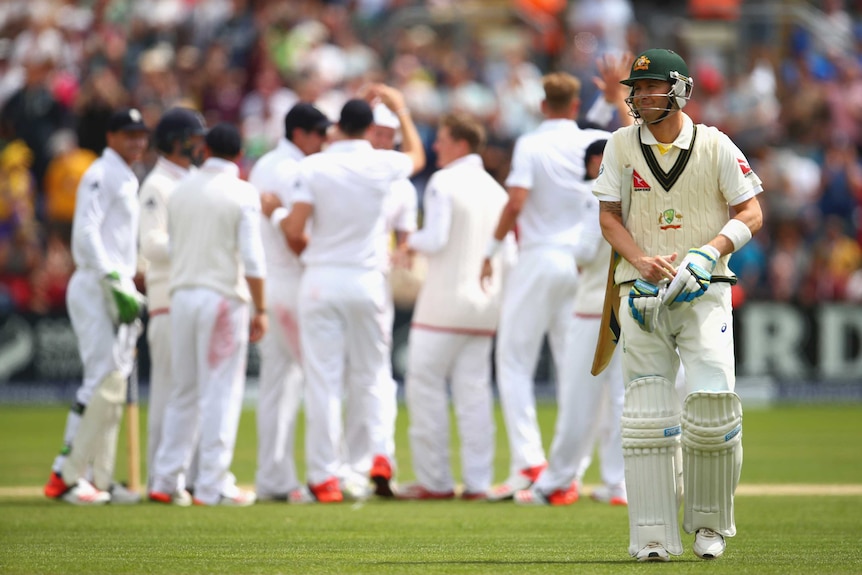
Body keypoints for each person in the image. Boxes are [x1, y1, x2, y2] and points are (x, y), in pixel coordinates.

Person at [592, 48, 764, 561]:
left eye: (652, 87)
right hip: (641, 295)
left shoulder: (714, 144)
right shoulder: (621, 144)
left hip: (704, 290)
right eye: (637, 89)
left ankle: (710, 527)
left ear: (680, 89)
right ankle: (651, 536)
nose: (642, 96)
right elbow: (608, 217)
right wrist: (641, 260)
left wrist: (708, 253)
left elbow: (752, 211)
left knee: (712, 406)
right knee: (647, 415)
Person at [277, 86, 425, 503]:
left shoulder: (314, 166)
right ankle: (380, 454)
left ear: (338, 126)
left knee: (323, 380)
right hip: (366, 280)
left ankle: (325, 477)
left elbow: (293, 228)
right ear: (370, 129)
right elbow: (417, 157)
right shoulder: (383, 164)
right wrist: (401, 108)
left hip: (321, 279)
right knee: (374, 374)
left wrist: (277, 214)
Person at [479, 72, 610, 501]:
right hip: (581, 263)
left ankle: (530, 461)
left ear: (542, 105)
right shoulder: (591, 137)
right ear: (575, 105)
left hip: (538, 257)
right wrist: (610, 100)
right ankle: (569, 469)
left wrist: (492, 247)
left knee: (514, 362)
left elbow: (516, 201)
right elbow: (615, 132)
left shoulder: (530, 144)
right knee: (572, 369)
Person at [395, 112, 513, 500]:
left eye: (442, 139)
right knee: (474, 393)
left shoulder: (443, 182)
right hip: (484, 307)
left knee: (424, 386)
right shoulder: (497, 191)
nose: (434, 146)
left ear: (461, 144)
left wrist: (407, 239)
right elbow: (508, 254)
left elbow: (436, 239)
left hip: (442, 306)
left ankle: (436, 481)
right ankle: (478, 483)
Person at [150, 123, 268, 507]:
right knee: (220, 392)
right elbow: (252, 259)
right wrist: (261, 308)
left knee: (184, 390)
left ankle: (166, 480)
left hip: (182, 296)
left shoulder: (181, 189)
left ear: (204, 149)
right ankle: (212, 485)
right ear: (239, 154)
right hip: (221, 299)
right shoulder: (242, 192)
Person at [43, 108, 149, 505]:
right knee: (101, 377)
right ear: (111, 135)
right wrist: (112, 279)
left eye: (141, 135)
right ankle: (65, 476)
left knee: (114, 383)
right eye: (129, 135)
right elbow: (85, 232)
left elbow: (118, 239)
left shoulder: (127, 175)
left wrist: (131, 275)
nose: (137, 142)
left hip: (116, 284)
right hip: (94, 284)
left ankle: (99, 478)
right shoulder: (99, 173)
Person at [514, 139, 626, 507]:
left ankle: (557, 483)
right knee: (622, 402)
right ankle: (619, 485)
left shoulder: (594, 195)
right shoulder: (638, 192)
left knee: (579, 399)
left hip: (593, 309)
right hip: (627, 308)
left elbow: (584, 250)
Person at [248, 102, 330, 502]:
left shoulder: (264, 164)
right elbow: (297, 238)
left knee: (277, 385)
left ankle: (273, 478)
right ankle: (326, 476)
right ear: (300, 134)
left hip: (268, 282)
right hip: (296, 285)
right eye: (320, 134)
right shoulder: (299, 170)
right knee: (320, 379)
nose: (325, 141)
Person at [138, 106, 207, 493]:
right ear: (176, 142)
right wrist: (197, 244)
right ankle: (159, 477)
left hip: (191, 294)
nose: (200, 145)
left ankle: (190, 477)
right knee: (170, 390)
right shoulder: (157, 185)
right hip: (166, 296)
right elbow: (151, 243)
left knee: (192, 391)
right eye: (194, 138)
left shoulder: (194, 181)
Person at [357, 102, 419, 497]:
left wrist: (402, 252)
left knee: (373, 370)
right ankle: (354, 462)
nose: (382, 141)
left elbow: (407, 238)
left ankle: (378, 456)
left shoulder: (400, 182)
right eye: (376, 132)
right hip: (361, 280)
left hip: (373, 281)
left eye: (387, 135)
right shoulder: (346, 165)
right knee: (352, 373)